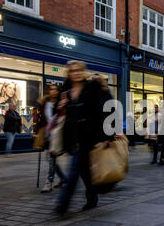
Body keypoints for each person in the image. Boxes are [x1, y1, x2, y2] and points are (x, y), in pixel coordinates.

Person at [54, 61, 113, 214]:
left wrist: (106, 135)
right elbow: (57, 110)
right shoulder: (66, 89)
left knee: (75, 168)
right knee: (84, 170)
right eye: (73, 71)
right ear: (69, 73)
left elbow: (103, 111)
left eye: (79, 70)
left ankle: (62, 204)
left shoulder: (92, 87)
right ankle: (92, 196)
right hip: (71, 135)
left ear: (83, 72)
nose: (76, 73)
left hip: (88, 135)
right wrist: (60, 106)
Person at [39, 85, 65, 193]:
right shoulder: (44, 103)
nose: (53, 91)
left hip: (58, 134)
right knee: (51, 159)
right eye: (51, 89)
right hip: (48, 134)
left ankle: (49, 182)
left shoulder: (61, 102)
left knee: (52, 158)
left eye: (55, 89)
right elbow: (42, 119)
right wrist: (37, 133)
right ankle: (64, 178)